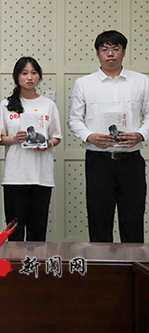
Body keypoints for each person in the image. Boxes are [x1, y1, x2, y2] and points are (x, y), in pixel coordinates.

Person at [68, 30, 149, 243]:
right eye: (105, 49)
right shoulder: (84, 83)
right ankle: (100, 264)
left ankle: (133, 263)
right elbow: (74, 120)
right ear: (97, 53)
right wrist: (89, 136)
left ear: (124, 52)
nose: (110, 54)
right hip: (98, 162)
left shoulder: (141, 81)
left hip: (131, 161)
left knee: (133, 219)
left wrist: (140, 135)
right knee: (99, 219)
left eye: (115, 49)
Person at [0, 56, 62, 241]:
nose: (29, 77)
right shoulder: (6, 105)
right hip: (15, 176)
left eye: (34, 73)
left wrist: (48, 143)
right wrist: (13, 139)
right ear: (16, 76)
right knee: (14, 233)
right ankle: (15, 261)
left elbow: (57, 136)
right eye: (24, 73)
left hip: (41, 176)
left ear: (39, 76)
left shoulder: (48, 105)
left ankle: (36, 261)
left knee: (38, 232)